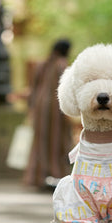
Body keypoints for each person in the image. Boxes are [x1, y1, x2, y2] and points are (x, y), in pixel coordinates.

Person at [23, 39, 74, 189]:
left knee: (40, 143)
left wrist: (31, 108)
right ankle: (56, 176)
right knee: (57, 142)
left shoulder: (40, 65)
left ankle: (38, 177)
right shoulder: (62, 65)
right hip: (57, 109)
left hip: (40, 109)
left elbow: (33, 89)